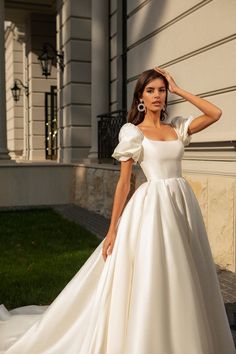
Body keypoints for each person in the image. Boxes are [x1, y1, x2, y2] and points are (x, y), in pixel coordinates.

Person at [0, 68, 235, 354]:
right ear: (140, 97)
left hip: (181, 203)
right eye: (151, 91)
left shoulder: (176, 127)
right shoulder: (133, 133)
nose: (157, 95)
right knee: (155, 268)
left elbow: (215, 113)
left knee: (185, 266)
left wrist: (179, 88)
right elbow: (125, 183)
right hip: (152, 208)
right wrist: (111, 231)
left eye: (161, 90)